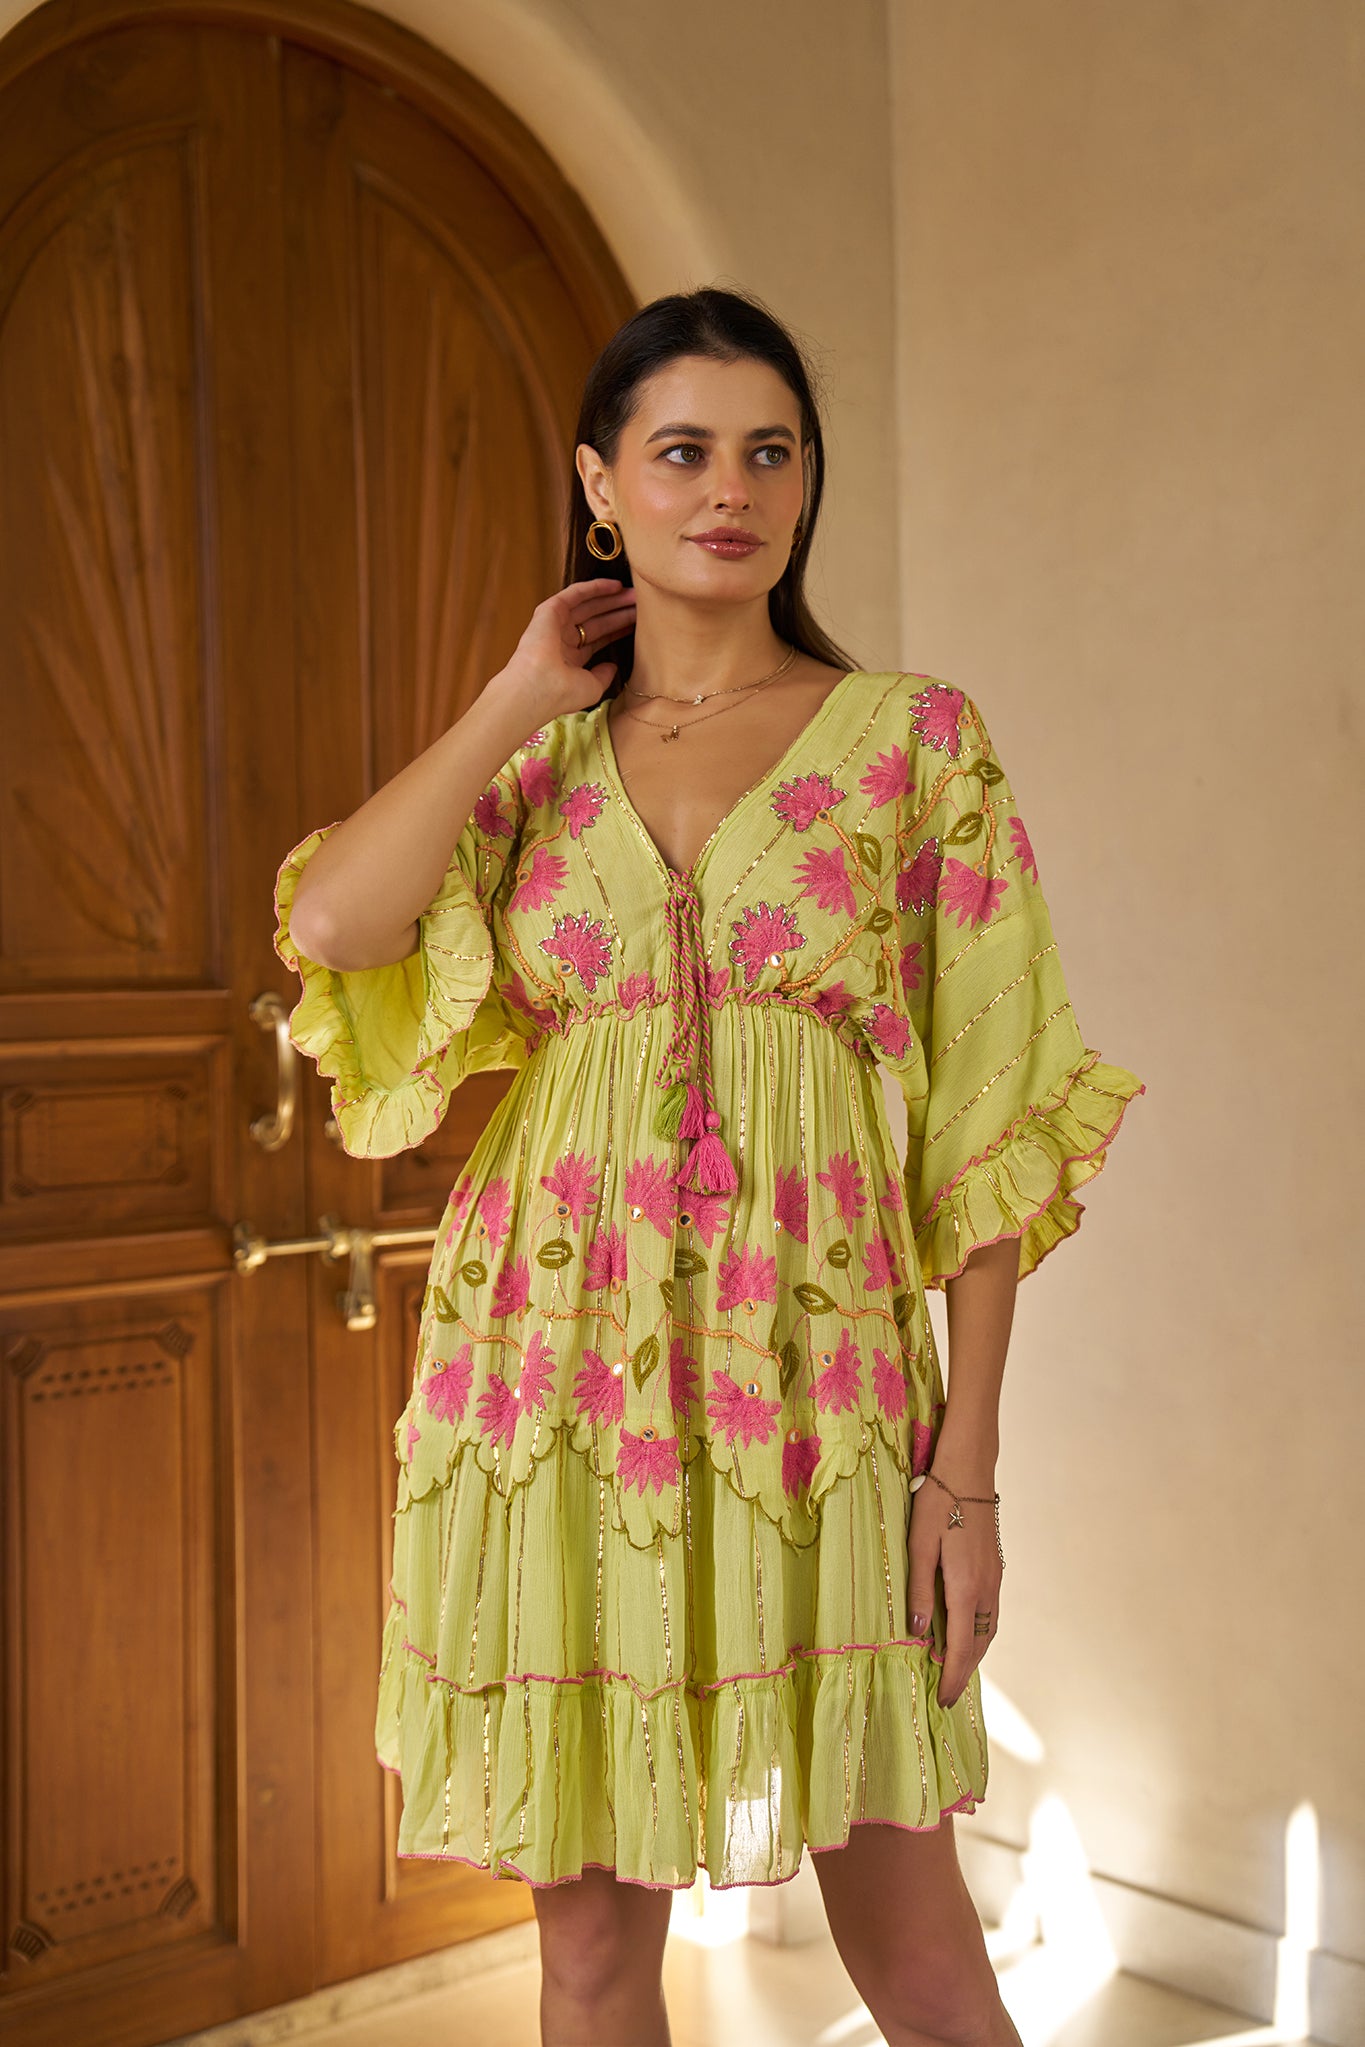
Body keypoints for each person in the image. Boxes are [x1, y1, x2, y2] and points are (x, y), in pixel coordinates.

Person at [273, 286, 1144, 2047]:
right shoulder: (534, 767)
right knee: (590, 1957)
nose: (729, 490)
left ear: (807, 484)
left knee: (917, 1953)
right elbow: (338, 925)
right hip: (549, 1382)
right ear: (601, 486)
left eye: (769, 452)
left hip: (812, 1384)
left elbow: (990, 1122)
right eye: (681, 453)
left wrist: (964, 1472)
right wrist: (518, 691)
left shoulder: (912, 742)